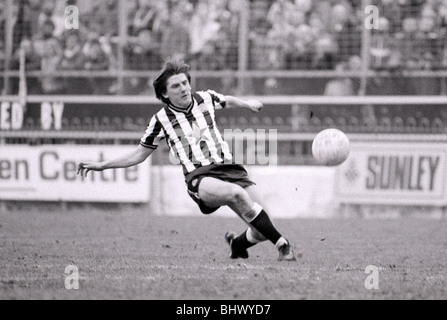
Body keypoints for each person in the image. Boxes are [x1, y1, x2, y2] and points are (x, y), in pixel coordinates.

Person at [77, 60, 296, 261]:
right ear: (164, 94)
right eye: (175, 86)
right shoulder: (160, 120)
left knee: (263, 228)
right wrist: (102, 165)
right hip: (200, 178)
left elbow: (226, 100)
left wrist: (247, 104)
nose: (183, 88)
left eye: (184, 83)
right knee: (237, 194)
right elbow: (138, 154)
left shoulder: (205, 98)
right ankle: (283, 245)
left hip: (231, 170)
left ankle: (237, 245)